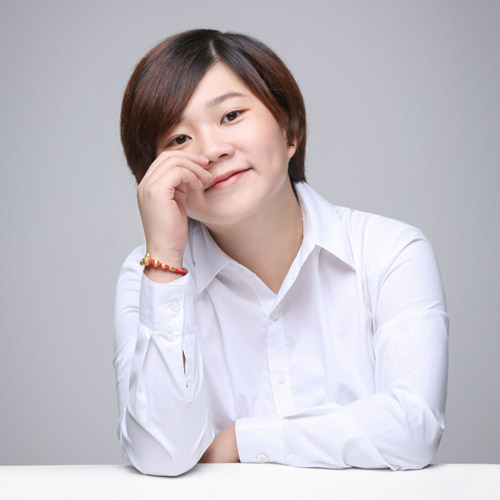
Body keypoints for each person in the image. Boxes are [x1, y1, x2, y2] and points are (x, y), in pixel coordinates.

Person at [114, 29, 449, 477]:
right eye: (178, 140)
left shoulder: (389, 252)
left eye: (231, 115)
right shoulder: (147, 276)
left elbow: (413, 426)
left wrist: (240, 440)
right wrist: (164, 259)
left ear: (289, 129)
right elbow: (159, 455)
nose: (211, 151)